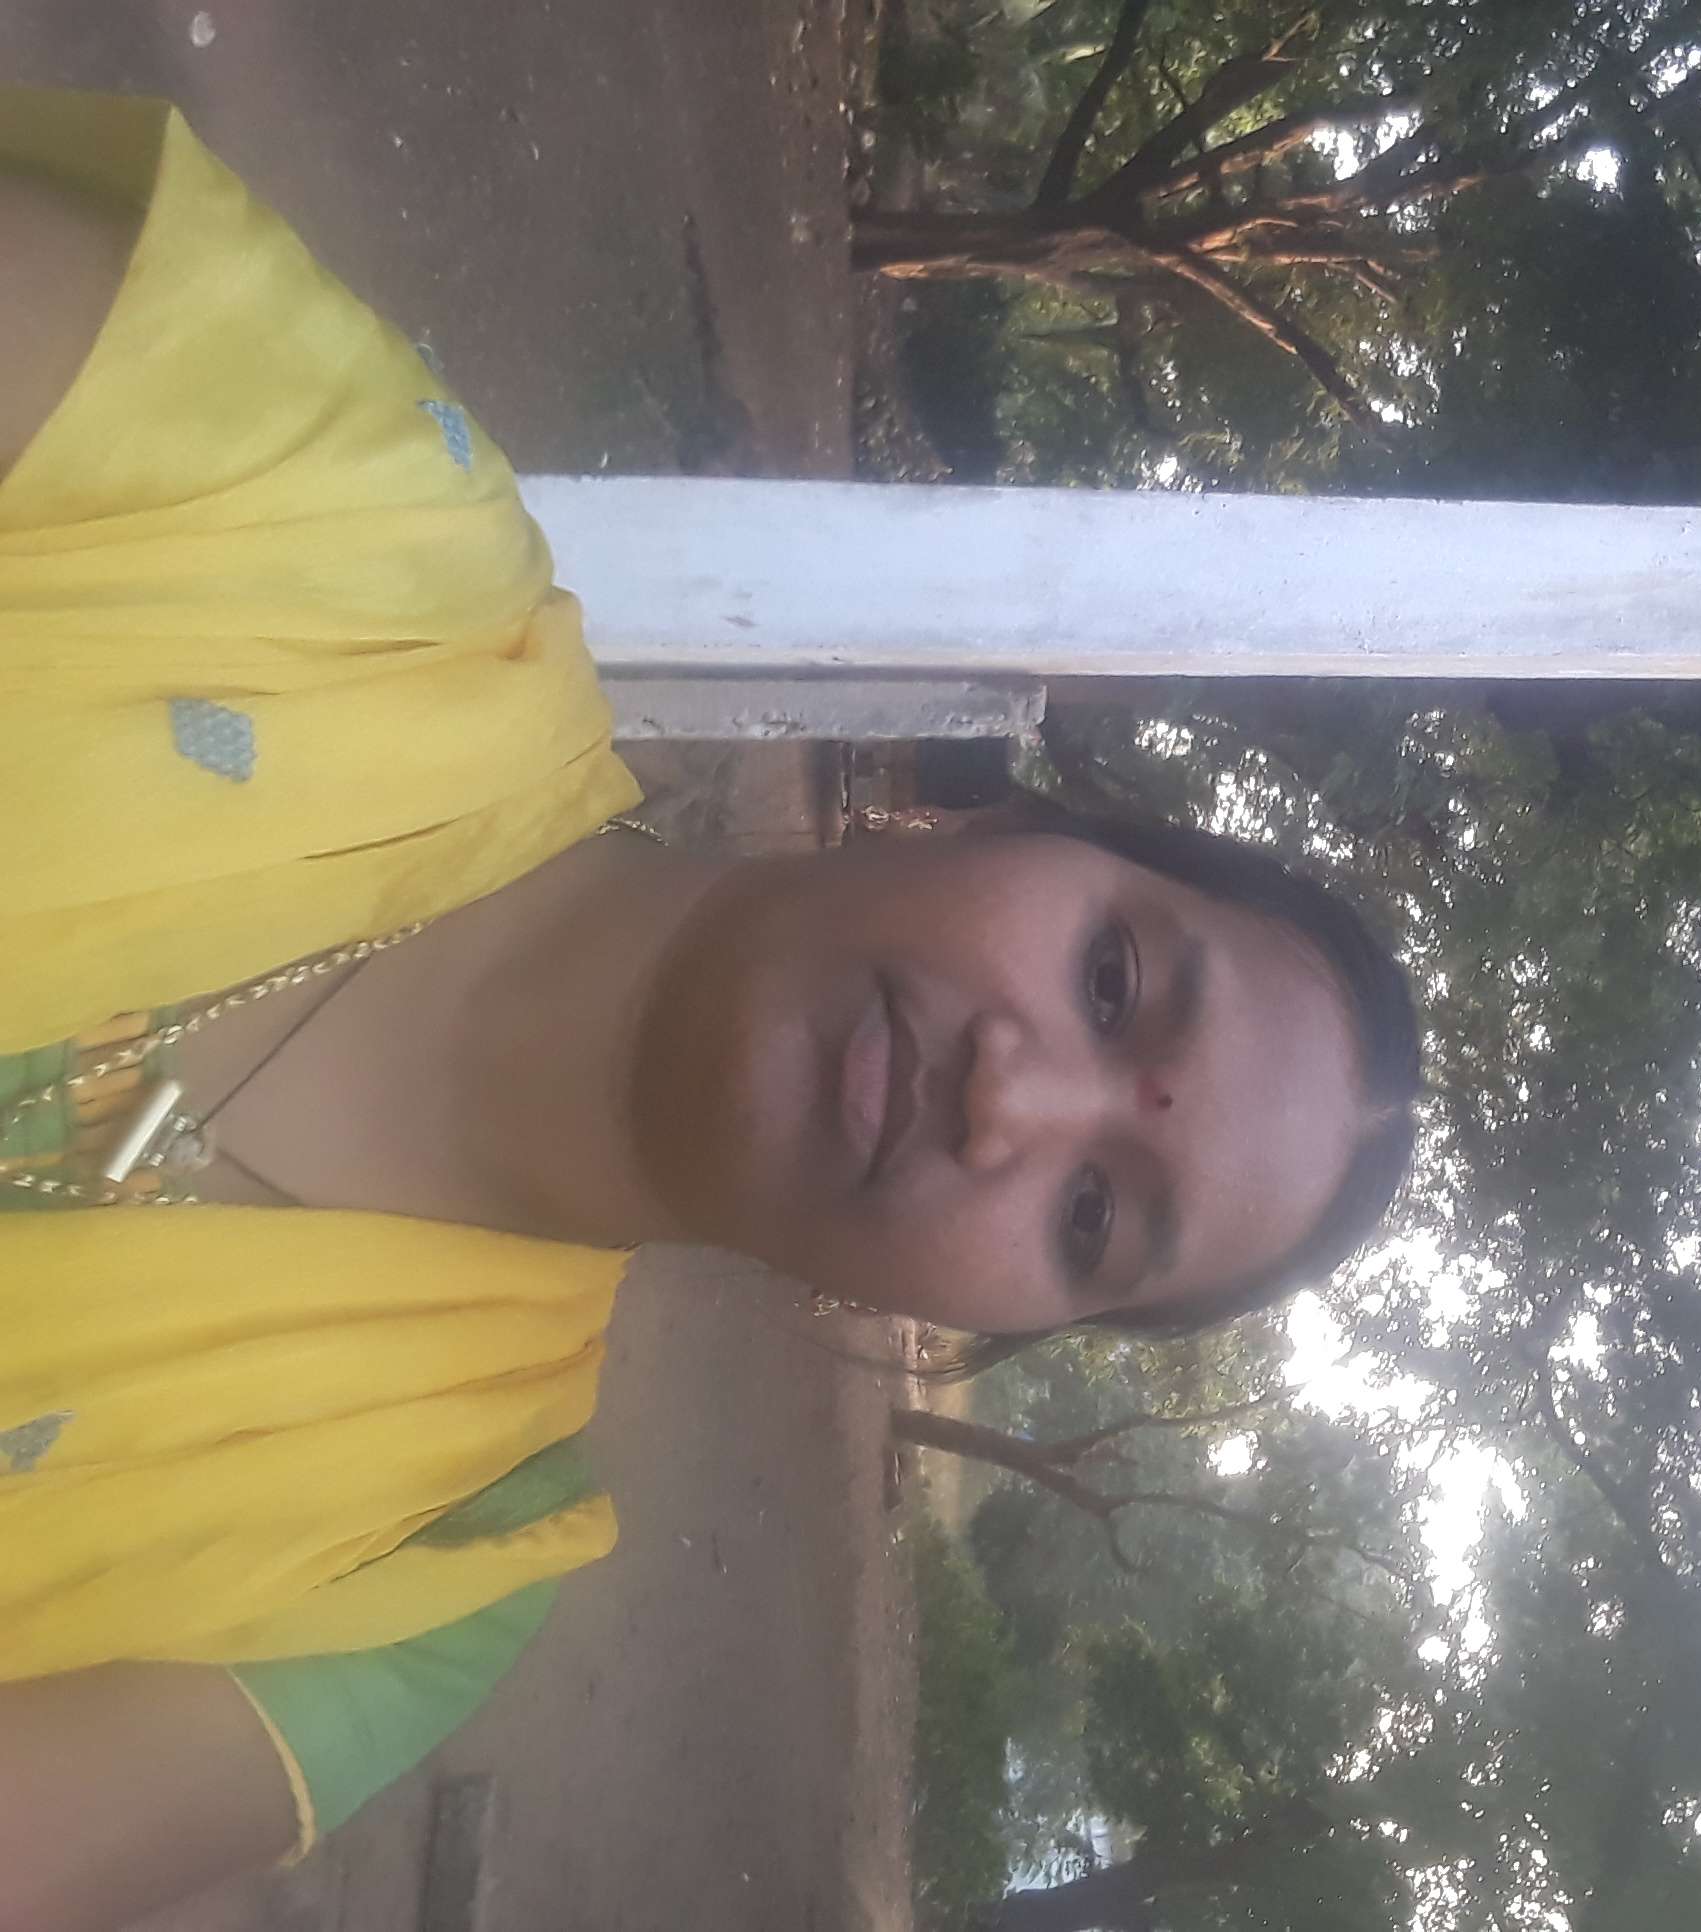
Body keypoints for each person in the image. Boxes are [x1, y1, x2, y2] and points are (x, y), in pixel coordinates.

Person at [0, 88, 1420, 1928]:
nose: (1010, 1104)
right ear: (1002, 823)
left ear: (979, 1318)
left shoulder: (415, 1577)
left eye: (1092, 1216)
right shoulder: (346, 526)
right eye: (1112, 979)